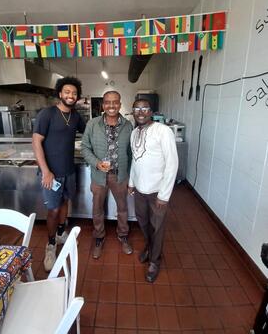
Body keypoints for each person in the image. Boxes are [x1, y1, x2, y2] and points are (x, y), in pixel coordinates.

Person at [32, 76, 86, 271]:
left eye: (74, 93)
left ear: (77, 96)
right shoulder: (47, 114)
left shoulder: (76, 117)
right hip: (51, 173)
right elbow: (36, 141)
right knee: (53, 209)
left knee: (65, 203)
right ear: (60, 94)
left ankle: (62, 233)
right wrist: (46, 171)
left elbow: (88, 132)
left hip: (69, 171)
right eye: (67, 92)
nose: (71, 96)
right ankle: (51, 245)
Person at [128, 99, 178, 282]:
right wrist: (132, 182)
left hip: (157, 191)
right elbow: (135, 159)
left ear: (151, 111)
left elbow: (172, 164)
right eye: (137, 109)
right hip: (140, 189)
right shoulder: (134, 133)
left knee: (157, 227)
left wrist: (164, 195)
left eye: (145, 108)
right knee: (143, 223)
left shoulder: (163, 131)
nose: (141, 112)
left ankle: (155, 261)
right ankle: (149, 248)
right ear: (133, 112)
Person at [81, 90, 133, 259]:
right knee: (97, 209)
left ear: (120, 104)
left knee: (123, 208)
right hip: (99, 176)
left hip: (120, 176)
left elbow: (131, 153)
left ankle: (123, 235)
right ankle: (99, 237)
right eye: (108, 102)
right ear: (103, 105)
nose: (112, 106)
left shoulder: (128, 125)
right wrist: (96, 163)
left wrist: (131, 177)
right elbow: (85, 148)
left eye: (115, 102)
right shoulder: (92, 124)